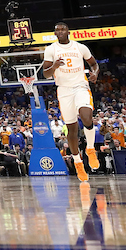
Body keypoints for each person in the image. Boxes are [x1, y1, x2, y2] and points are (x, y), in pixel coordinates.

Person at [41, 22, 99, 183]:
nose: (59, 31)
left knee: (87, 117)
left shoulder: (80, 47)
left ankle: (90, 149)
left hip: (81, 86)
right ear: (55, 33)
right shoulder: (51, 49)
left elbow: (93, 64)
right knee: (72, 130)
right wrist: (54, 66)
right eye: (57, 30)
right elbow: (45, 74)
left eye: (62, 29)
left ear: (68, 32)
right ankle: (78, 162)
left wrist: (95, 73)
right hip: (64, 90)